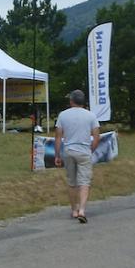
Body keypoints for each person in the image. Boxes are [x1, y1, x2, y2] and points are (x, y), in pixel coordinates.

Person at [53, 89, 101, 223]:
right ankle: (82, 210)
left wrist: (57, 155)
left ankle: (74, 210)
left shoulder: (63, 115)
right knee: (84, 182)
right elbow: (97, 137)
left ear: (71, 101)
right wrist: (91, 150)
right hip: (84, 150)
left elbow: (58, 137)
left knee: (71, 182)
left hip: (69, 150)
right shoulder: (91, 116)